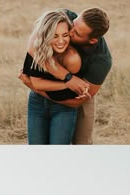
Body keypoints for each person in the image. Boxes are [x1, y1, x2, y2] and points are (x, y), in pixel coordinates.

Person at [20, 7, 112, 145]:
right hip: (54, 84)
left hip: (76, 95)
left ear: (92, 40)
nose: (69, 31)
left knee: (82, 143)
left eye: (76, 34)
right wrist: (68, 78)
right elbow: (34, 46)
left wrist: (35, 87)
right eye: (73, 25)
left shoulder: (101, 61)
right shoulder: (66, 17)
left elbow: (77, 101)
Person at [22, 9, 83, 144]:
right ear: (45, 36)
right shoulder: (37, 49)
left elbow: (67, 95)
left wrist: (32, 83)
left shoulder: (72, 59)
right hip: (36, 103)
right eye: (54, 36)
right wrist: (67, 83)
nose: (61, 41)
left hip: (63, 108)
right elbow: (37, 83)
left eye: (65, 35)